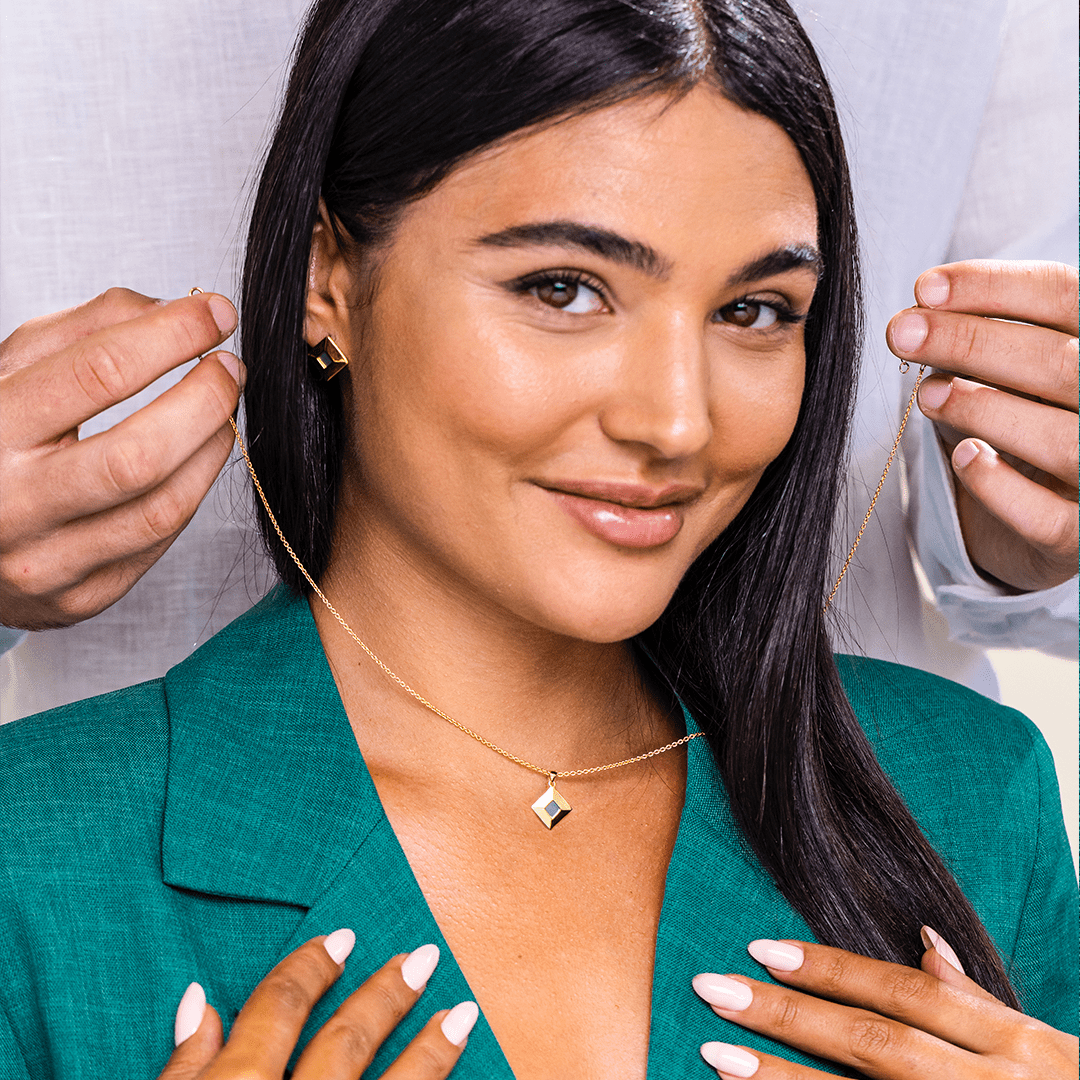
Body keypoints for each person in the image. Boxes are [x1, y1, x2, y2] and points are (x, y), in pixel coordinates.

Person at [0, 1, 1076, 1078]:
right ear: (326, 278)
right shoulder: (39, 859)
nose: (676, 422)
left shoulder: (979, 804)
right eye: (562, 289)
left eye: (752, 311)